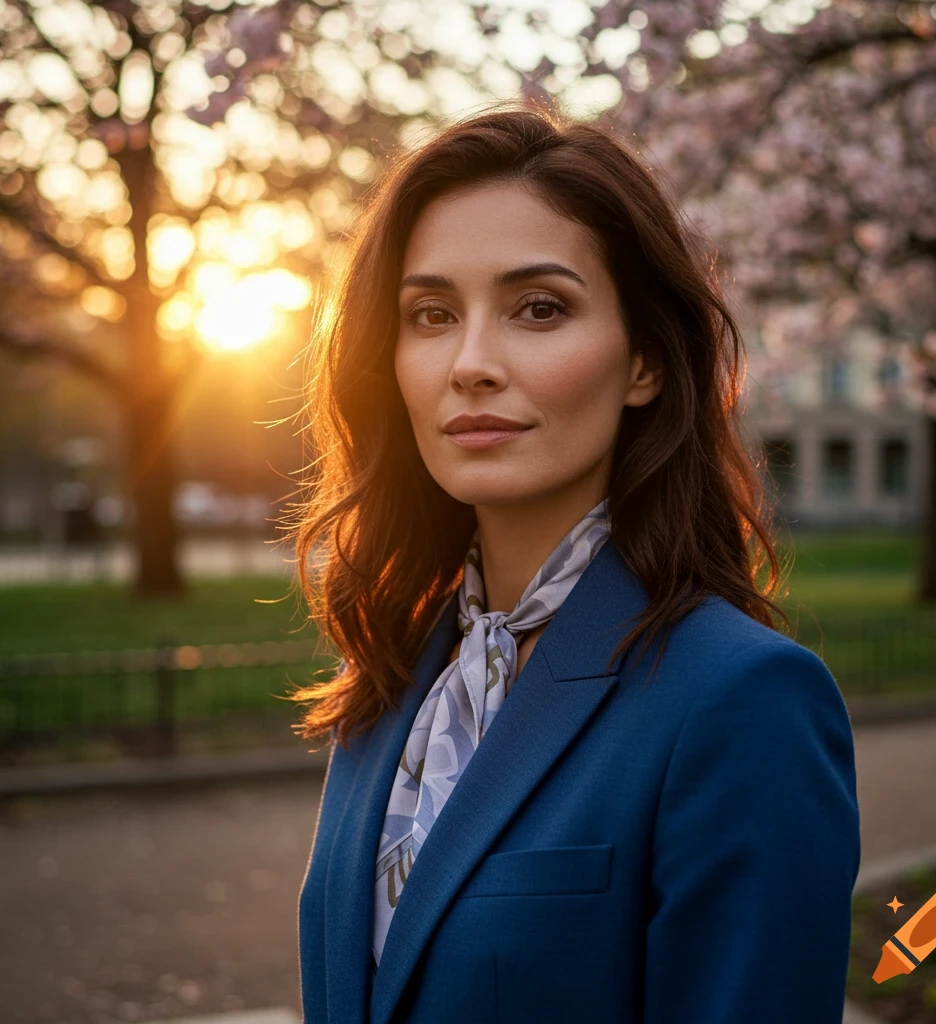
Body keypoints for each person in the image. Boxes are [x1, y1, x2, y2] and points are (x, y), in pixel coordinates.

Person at [289, 102, 860, 1024]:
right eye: (431, 314)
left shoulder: (740, 703)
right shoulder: (394, 678)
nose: (470, 363)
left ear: (644, 362)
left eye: (539, 309)